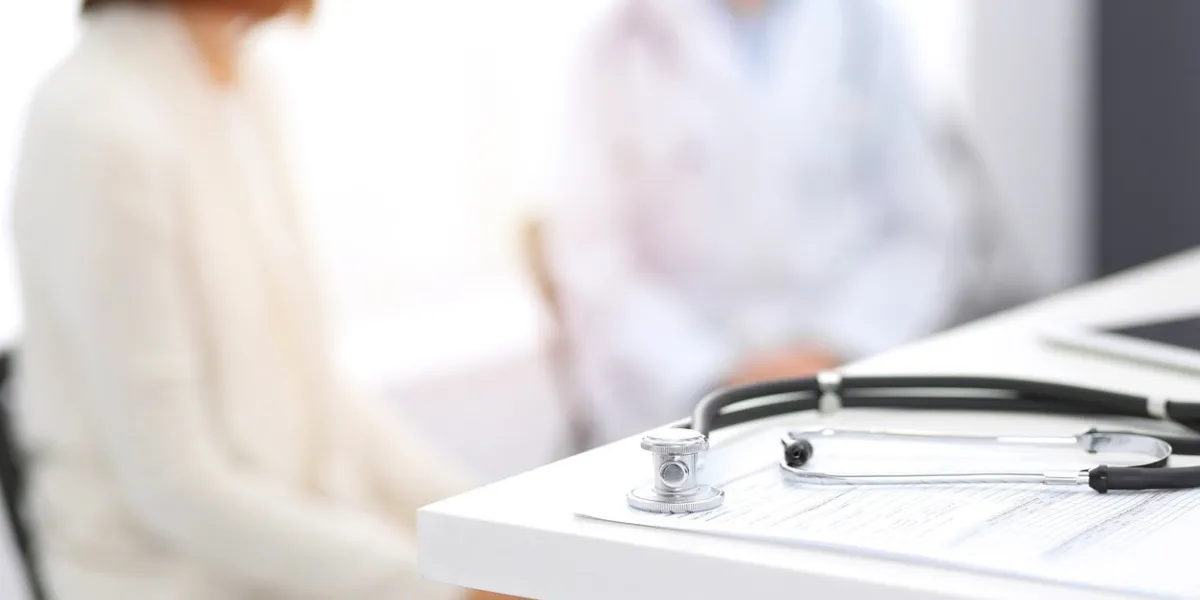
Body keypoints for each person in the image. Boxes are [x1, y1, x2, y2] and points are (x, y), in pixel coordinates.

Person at [9, 1, 513, 599]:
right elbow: (173, 484)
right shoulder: (93, 128)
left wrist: (499, 535)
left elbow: (314, 387)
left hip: (292, 553)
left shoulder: (245, 88)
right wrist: (430, 586)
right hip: (166, 580)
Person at [546, 0, 972, 442]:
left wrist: (830, 348)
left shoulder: (867, 29)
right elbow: (594, 258)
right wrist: (715, 373)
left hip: (841, 375)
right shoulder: (620, 44)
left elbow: (921, 228)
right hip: (673, 400)